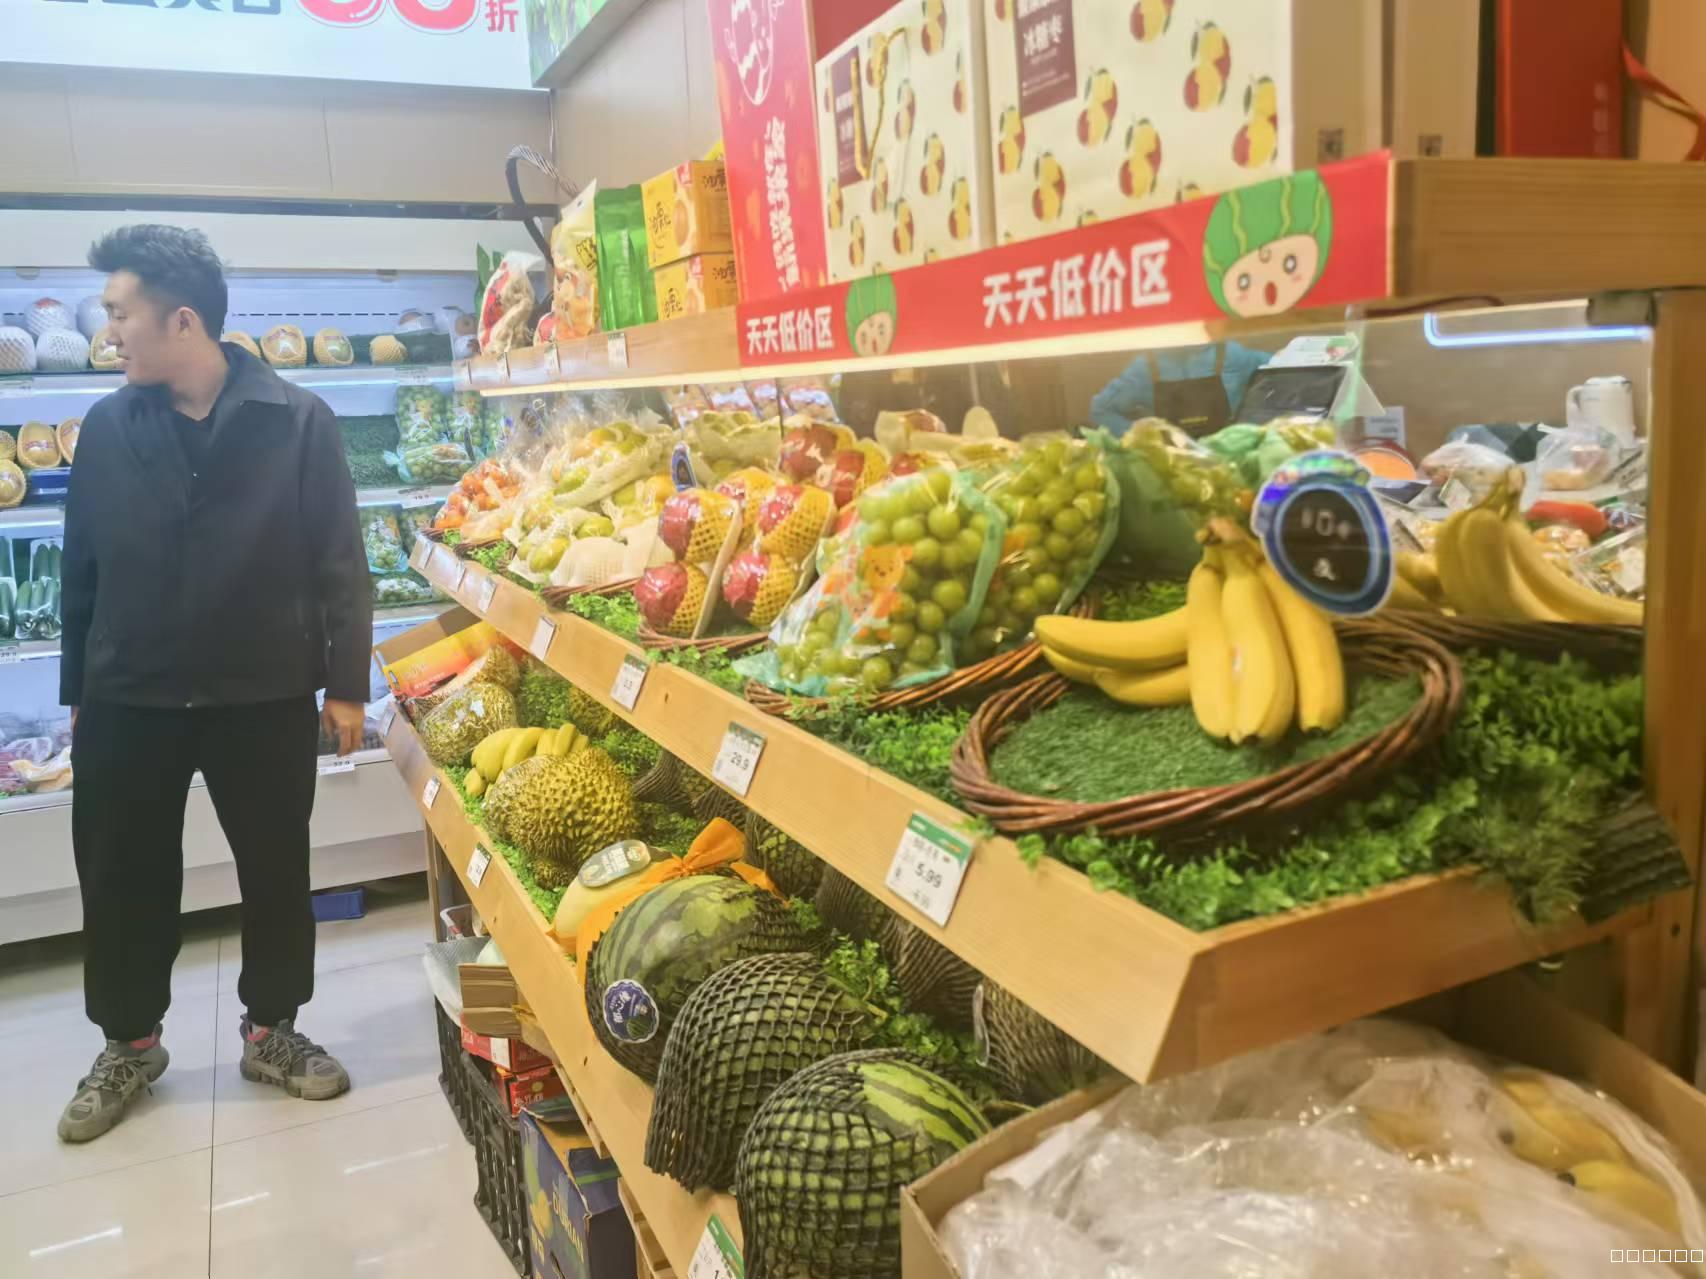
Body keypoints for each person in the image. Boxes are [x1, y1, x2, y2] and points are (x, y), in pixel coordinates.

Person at [56, 225, 370, 1143]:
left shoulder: (298, 420)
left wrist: (346, 687)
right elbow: (80, 569)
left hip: (263, 690)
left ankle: (272, 1028)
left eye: (121, 313)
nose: (110, 332)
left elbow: (341, 562)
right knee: (122, 875)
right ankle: (129, 1041)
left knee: (276, 868)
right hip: (129, 695)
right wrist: (79, 693)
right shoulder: (106, 429)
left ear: (182, 320)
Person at [1089, 340, 1270, 438]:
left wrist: (1254, 429)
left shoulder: (1230, 355)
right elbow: (1101, 410)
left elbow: (1279, 367)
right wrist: (1146, 441)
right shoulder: (1146, 367)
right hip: (1174, 473)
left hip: (1230, 465)